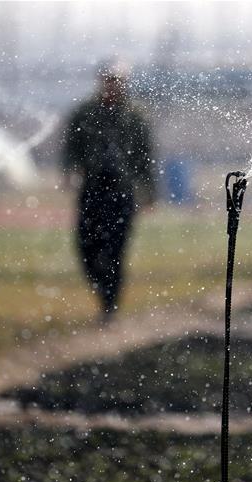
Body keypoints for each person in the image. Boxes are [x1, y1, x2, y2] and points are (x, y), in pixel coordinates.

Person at [62, 60, 156, 322]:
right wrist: (70, 171)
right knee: (86, 248)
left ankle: (109, 305)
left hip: (122, 192)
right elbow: (72, 147)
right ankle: (102, 291)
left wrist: (148, 192)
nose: (112, 86)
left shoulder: (136, 115)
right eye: (108, 80)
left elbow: (146, 156)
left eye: (117, 81)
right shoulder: (85, 112)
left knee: (115, 250)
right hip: (92, 189)